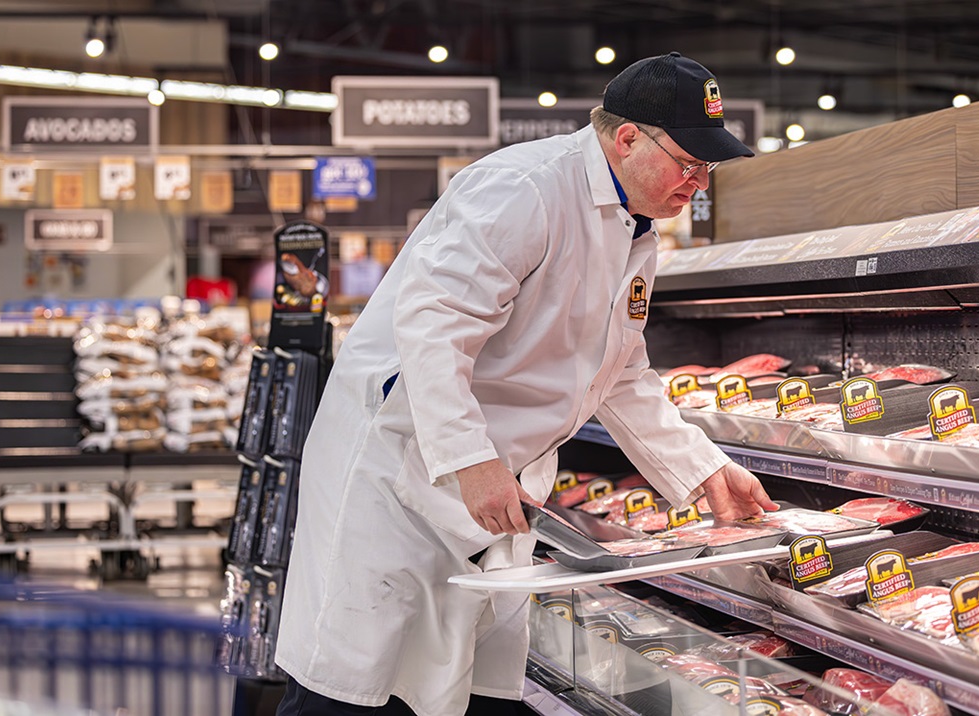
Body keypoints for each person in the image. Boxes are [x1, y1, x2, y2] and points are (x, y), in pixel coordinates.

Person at [276, 52, 776, 716]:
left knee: (470, 688)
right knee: (350, 690)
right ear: (627, 138)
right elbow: (432, 326)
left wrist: (705, 469)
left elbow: (620, 370)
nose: (698, 184)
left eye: (706, 169)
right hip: (399, 476)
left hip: (497, 491)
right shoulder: (526, 187)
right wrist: (471, 459)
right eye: (689, 164)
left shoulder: (636, 230)